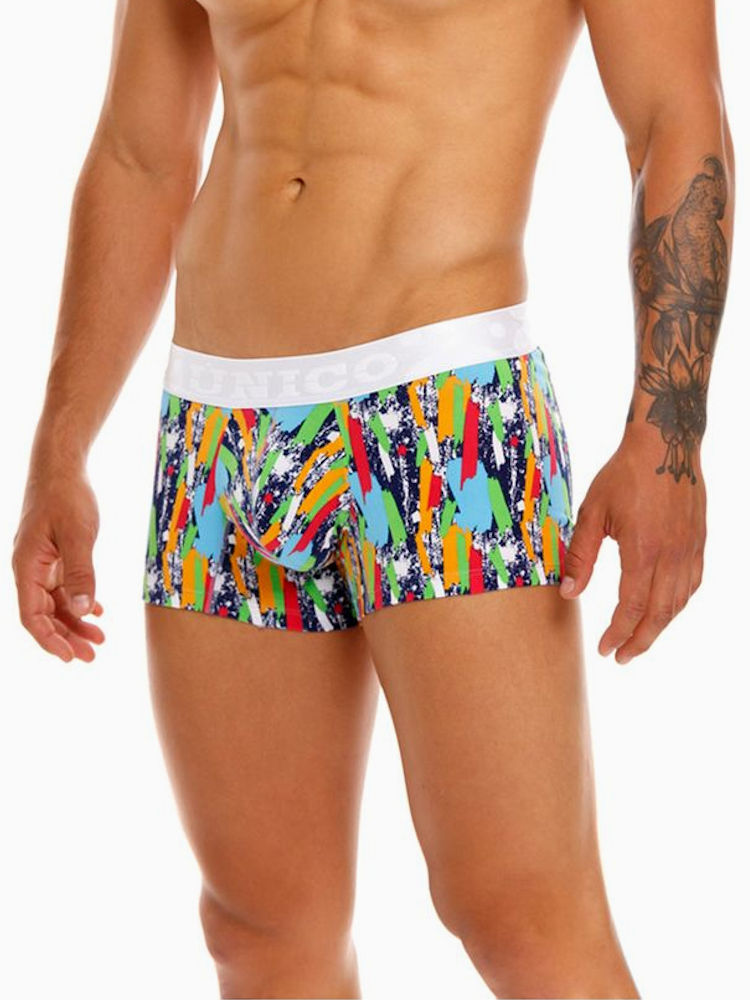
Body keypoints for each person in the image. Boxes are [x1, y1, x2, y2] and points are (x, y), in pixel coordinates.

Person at [11, 0, 732, 996]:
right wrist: (61, 447)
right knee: (259, 928)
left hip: (444, 407)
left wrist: (668, 436)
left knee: (518, 911)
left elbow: (673, 114)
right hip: (219, 430)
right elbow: (140, 154)